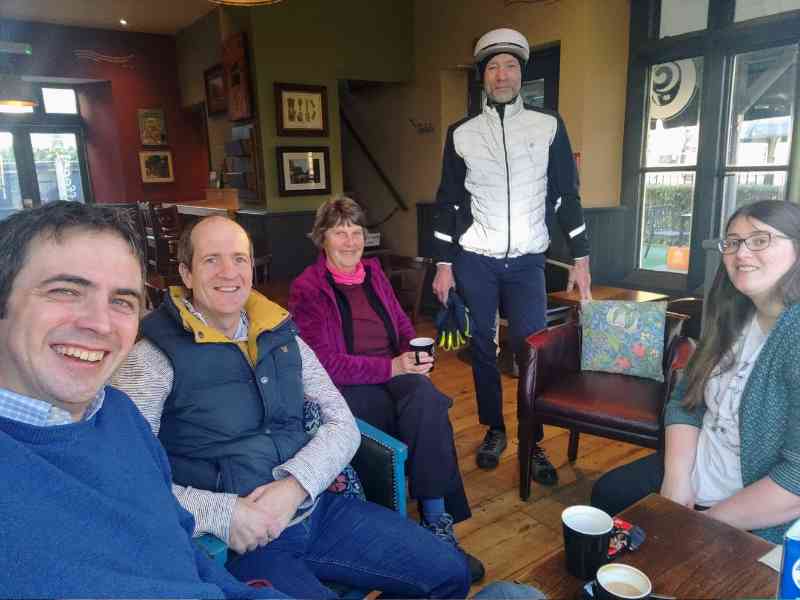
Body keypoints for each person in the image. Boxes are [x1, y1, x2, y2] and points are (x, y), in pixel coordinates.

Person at [112, 215, 470, 599]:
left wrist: (296, 486)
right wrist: (225, 513)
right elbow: (123, 477)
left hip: (315, 510)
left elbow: (342, 423)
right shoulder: (151, 358)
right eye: (211, 260)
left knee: (450, 573)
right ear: (186, 272)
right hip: (239, 545)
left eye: (239, 259)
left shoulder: (281, 335)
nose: (229, 272)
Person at [0, 201, 286, 599]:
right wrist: (231, 512)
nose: (99, 323)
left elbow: (183, 553)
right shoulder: (153, 364)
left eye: (121, 301)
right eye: (64, 290)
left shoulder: (117, 414)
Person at [289, 196, 485, 582]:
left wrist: (414, 355)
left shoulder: (374, 273)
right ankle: (401, 530)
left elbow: (401, 324)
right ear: (322, 239)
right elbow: (324, 363)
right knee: (389, 415)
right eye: (339, 232)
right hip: (347, 382)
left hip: (392, 370)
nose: (350, 241)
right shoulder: (308, 288)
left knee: (428, 401)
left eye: (356, 232)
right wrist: (391, 366)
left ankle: (435, 521)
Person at [431, 27, 592, 479]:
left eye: (511, 66)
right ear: (483, 77)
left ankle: (533, 439)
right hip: (475, 259)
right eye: (493, 67)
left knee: (530, 349)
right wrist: (443, 266)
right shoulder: (461, 133)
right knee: (482, 347)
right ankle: (494, 428)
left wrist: (581, 257)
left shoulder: (548, 126)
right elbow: (447, 201)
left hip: (526, 263)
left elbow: (569, 194)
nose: (502, 75)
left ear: (521, 73)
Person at [591, 200, 800, 544]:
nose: (741, 253)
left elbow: (795, 482)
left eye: (760, 240)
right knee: (609, 494)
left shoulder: (793, 335)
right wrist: (676, 480)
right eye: (732, 242)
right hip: (696, 471)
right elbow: (685, 401)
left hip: (757, 506)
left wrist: (701, 524)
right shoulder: (733, 316)